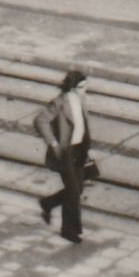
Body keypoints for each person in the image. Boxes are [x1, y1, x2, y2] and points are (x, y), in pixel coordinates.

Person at [35, 70, 91, 244]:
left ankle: (48, 203)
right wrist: (53, 143)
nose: (86, 89)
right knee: (73, 191)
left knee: (78, 188)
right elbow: (40, 121)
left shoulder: (80, 99)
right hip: (66, 152)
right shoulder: (60, 102)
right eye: (82, 87)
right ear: (73, 88)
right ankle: (68, 230)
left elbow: (82, 126)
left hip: (80, 150)